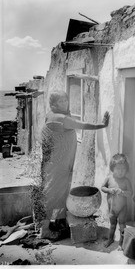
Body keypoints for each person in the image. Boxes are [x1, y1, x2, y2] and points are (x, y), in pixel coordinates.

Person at [40, 90, 109, 237]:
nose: (65, 103)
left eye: (66, 100)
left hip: (58, 163)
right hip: (57, 165)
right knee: (53, 195)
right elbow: (83, 125)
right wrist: (102, 125)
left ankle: (58, 222)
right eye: (61, 102)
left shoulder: (52, 114)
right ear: (53, 104)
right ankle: (45, 230)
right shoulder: (60, 118)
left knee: (61, 193)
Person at [101, 154, 132, 249]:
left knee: (122, 225)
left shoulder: (126, 181)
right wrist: (109, 190)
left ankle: (121, 242)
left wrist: (122, 192)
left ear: (126, 170)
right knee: (112, 225)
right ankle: (110, 239)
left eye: (123, 169)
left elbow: (130, 193)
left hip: (122, 208)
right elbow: (102, 188)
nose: (120, 171)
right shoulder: (109, 179)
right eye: (118, 169)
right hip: (112, 209)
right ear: (112, 168)